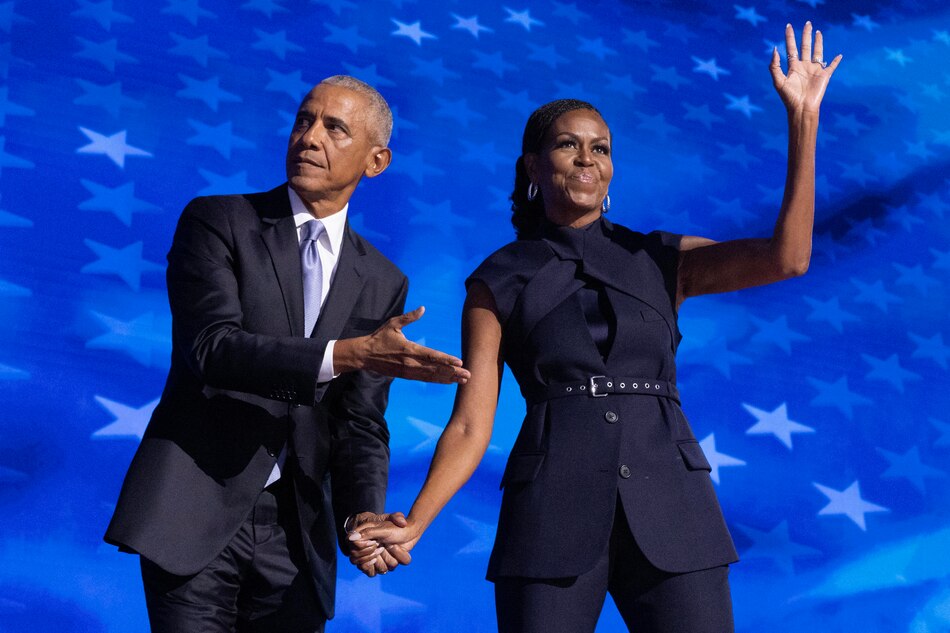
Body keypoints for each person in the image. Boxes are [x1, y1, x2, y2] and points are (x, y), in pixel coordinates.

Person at [350, 23, 840, 632]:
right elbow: (473, 423)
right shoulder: (497, 279)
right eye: (569, 145)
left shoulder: (661, 258)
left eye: (601, 148)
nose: (588, 159)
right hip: (549, 516)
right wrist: (416, 521)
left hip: (674, 509)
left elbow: (788, 259)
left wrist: (803, 119)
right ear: (533, 166)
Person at [103, 75, 469, 633]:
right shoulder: (219, 221)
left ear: (376, 162)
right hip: (195, 511)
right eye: (304, 120)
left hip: (298, 539)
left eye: (335, 128)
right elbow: (213, 348)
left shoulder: (382, 280)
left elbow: (360, 421)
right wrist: (347, 354)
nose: (310, 137)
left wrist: (363, 515)